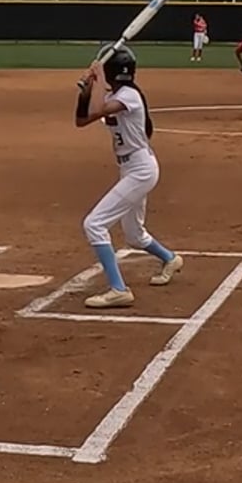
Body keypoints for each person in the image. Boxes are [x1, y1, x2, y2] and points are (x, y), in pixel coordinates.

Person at [73, 46, 184, 309]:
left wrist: (97, 77)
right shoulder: (116, 95)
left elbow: (100, 108)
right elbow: (82, 120)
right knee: (134, 235)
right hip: (131, 168)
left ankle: (119, 290)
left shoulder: (129, 96)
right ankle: (170, 259)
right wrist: (86, 89)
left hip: (141, 169)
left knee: (94, 224)